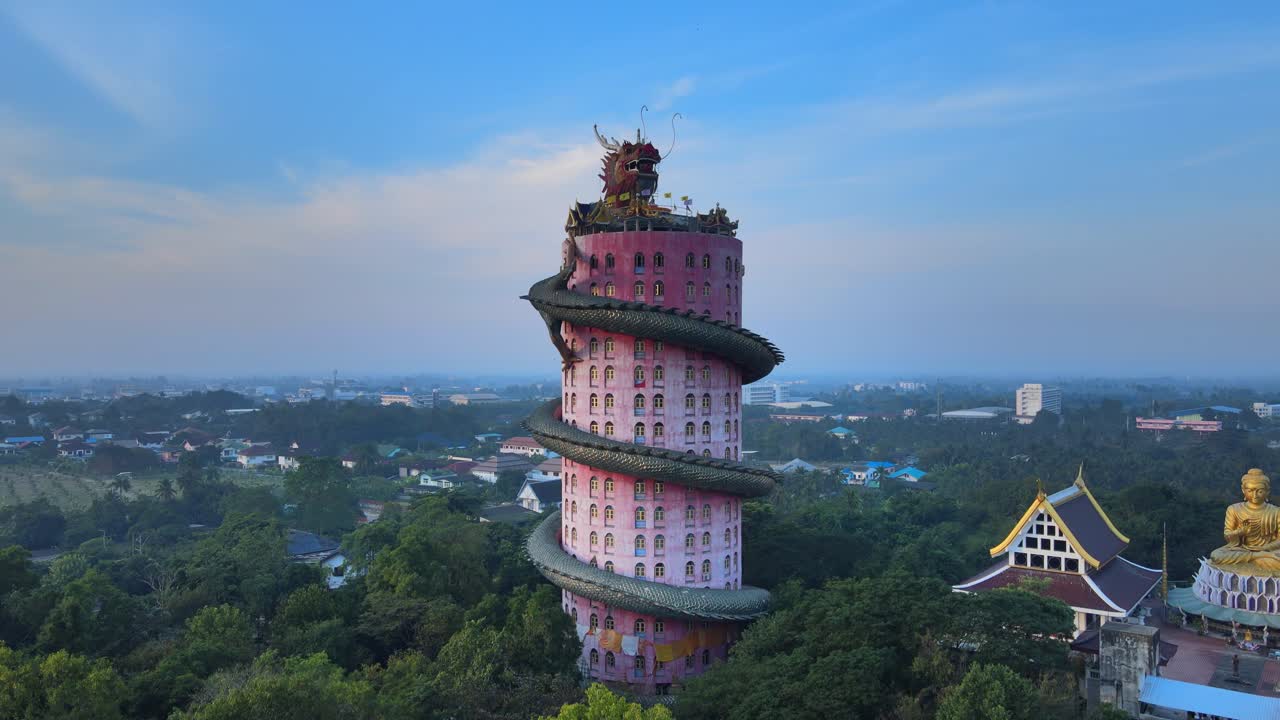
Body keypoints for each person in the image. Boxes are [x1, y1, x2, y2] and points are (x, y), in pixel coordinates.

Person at [1210, 469, 1280, 572]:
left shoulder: (1276, 511)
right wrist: (1240, 532)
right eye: (1250, 491)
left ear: (1267, 491)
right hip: (1242, 549)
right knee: (1216, 556)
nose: (1255, 495)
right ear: (1243, 490)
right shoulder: (1233, 509)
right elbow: (1227, 534)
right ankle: (1257, 557)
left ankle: (1259, 557)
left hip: (1268, 550)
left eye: (1260, 491)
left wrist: (1265, 548)